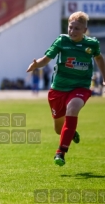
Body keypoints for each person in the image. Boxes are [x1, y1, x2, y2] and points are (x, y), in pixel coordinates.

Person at [26, 11, 105, 166]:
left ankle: (60, 152)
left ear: (84, 30)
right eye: (70, 27)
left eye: (76, 28)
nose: (72, 31)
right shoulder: (62, 41)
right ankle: (70, 132)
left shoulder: (92, 44)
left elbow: (99, 58)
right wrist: (37, 65)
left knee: (72, 109)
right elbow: (46, 59)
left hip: (80, 86)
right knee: (58, 129)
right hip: (59, 89)